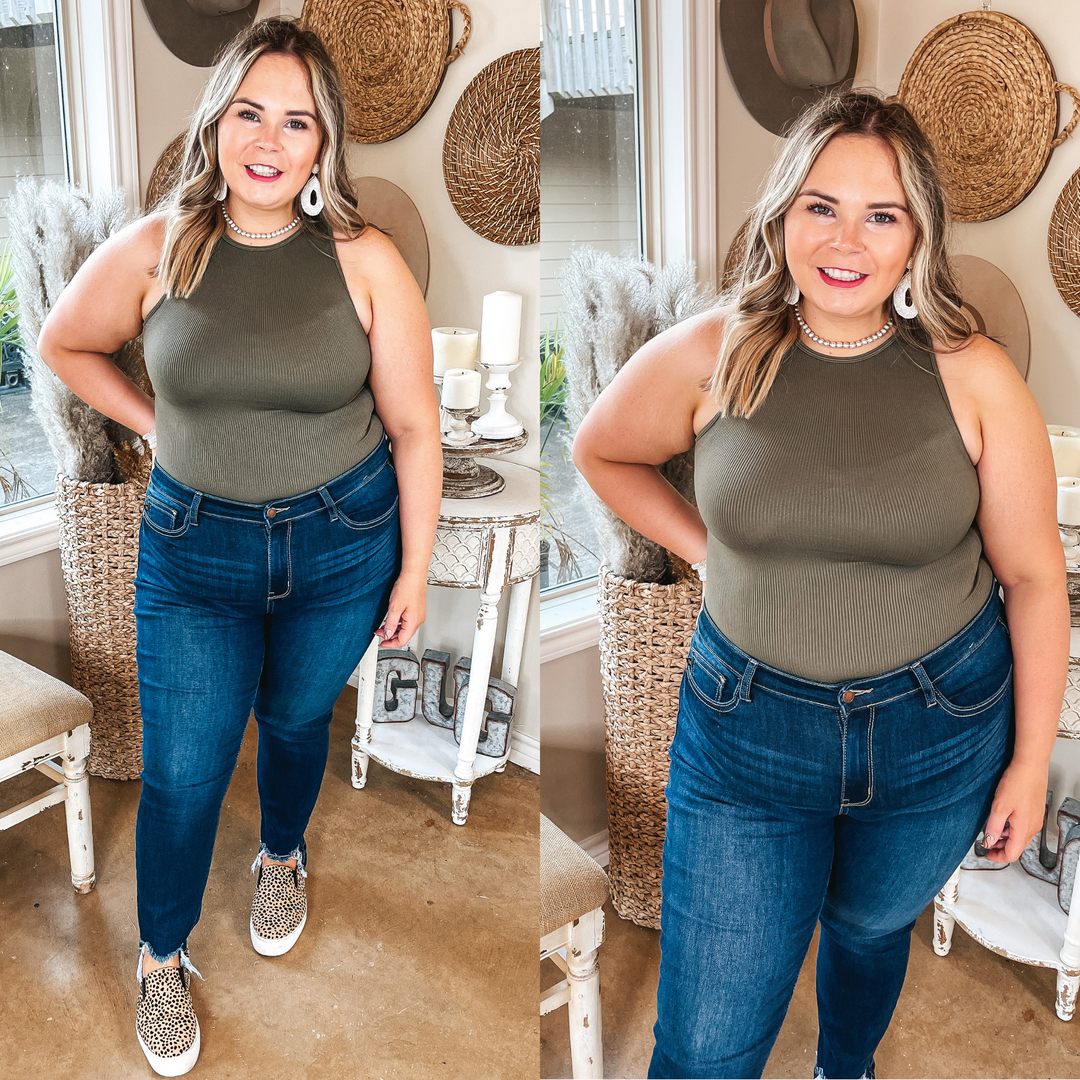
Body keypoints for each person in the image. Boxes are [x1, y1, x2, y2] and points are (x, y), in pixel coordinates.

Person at [573, 89, 1069, 1080]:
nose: (847, 240)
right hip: (747, 732)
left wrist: (1026, 764)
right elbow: (601, 452)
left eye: (881, 214)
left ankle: (846, 1065)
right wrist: (709, 548)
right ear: (783, 215)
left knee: (868, 927)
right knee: (704, 1048)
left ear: (918, 233)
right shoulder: (717, 353)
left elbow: (1032, 576)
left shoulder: (972, 376)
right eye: (821, 206)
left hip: (938, 728)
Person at [37, 18, 441, 1077]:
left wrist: (412, 567)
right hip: (192, 552)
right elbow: (64, 343)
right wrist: (150, 421)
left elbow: (412, 429)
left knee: (300, 718)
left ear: (323, 145)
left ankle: (279, 854)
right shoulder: (159, 245)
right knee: (183, 769)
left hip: (343, 542)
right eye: (249, 112)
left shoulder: (366, 260)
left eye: (296, 120)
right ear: (218, 121)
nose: (269, 138)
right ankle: (161, 959)